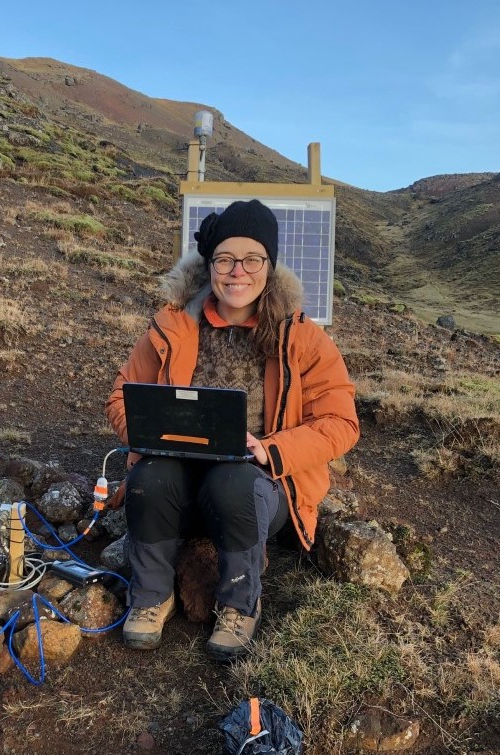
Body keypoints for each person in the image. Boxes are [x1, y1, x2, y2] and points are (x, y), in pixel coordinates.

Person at [105, 199, 359, 661]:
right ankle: (150, 595)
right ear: (210, 265)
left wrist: (270, 450)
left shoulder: (302, 338)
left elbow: (341, 423)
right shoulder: (172, 325)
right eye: (224, 259)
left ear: (269, 266)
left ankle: (240, 603)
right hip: (177, 484)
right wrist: (148, 433)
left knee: (235, 481)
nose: (237, 272)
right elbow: (122, 394)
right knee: (150, 478)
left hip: (256, 489)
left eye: (252, 259)